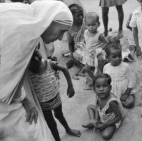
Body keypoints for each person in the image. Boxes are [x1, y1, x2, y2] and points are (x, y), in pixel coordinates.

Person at [0, 1, 73, 141]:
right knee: (29, 130)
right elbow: (4, 79)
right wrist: (25, 100)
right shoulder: (22, 35)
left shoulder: (24, 18)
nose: (59, 38)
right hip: (5, 100)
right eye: (61, 31)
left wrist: (29, 54)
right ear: (48, 21)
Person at [29, 50, 81, 141]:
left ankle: (68, 129)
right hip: (43, 103)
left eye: (37, 54)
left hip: (55, 97)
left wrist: (70, 86)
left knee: (59, 114)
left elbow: (64, 69)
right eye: (32, 60)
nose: (37, 59)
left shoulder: (49, 63)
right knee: (51, 124)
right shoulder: (27, 72)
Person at [82, 73, 124, 140]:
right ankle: (93, 121)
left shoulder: (112, 102)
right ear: (94, 89)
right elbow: (97, 107)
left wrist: (105, 125)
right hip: (102, 112)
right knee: (89, 107)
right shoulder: (98, 95)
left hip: (111, 118)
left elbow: (119, 116)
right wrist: (96, 120)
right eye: (98, 87)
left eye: (104, 86)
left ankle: (96, 123)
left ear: (110, 88)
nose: (101, 89)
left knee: (106, 135)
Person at [103, 43, 136, 108]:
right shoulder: (106, 67)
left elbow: (132, 80)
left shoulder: (126, 66)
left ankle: (129, 97)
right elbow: (106, 81)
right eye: (114, 57)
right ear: (107, 58)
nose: (118, 58)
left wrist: (127, 93)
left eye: (119, 56)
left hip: (125, 91)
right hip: (113, 91)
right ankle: (116, 99)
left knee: (129, 104)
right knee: (107, 103)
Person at [82, 12, 108, 89]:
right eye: (88, 25)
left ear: (98, 24)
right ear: (85, 25)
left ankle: (100, 78)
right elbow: (86, 41)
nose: (91, 27)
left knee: (99, 68)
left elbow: (106, 43)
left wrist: (99, 50)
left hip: (97, 54)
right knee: (86, 68)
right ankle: (93, 80)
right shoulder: (86, 32)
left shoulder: (99, 35)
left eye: (93, 25)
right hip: (89, 54)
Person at [67, 3, 86, 80]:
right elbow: (70, 43)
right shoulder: (69, 29)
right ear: (71, 17)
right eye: (78, 16)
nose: (81, 17)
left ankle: (82, 68)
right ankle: (80, 67)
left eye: (82, 15)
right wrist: (72, 55)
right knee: (77, 55)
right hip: (79, 50)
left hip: (89, 48)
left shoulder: (86, 24)